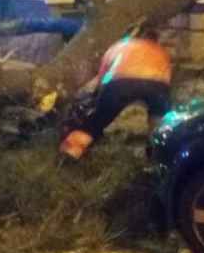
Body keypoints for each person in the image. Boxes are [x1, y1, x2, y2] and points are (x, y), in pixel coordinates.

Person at [59, 22, 172, 160]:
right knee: (160, 122)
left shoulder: (119, 47)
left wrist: (98, 96)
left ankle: (70, 153)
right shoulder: (162, 52)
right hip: (157, 86)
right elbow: (167, 78)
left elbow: (103, 77)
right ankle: (158, 155)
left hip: (121, 84)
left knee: (97, 120)